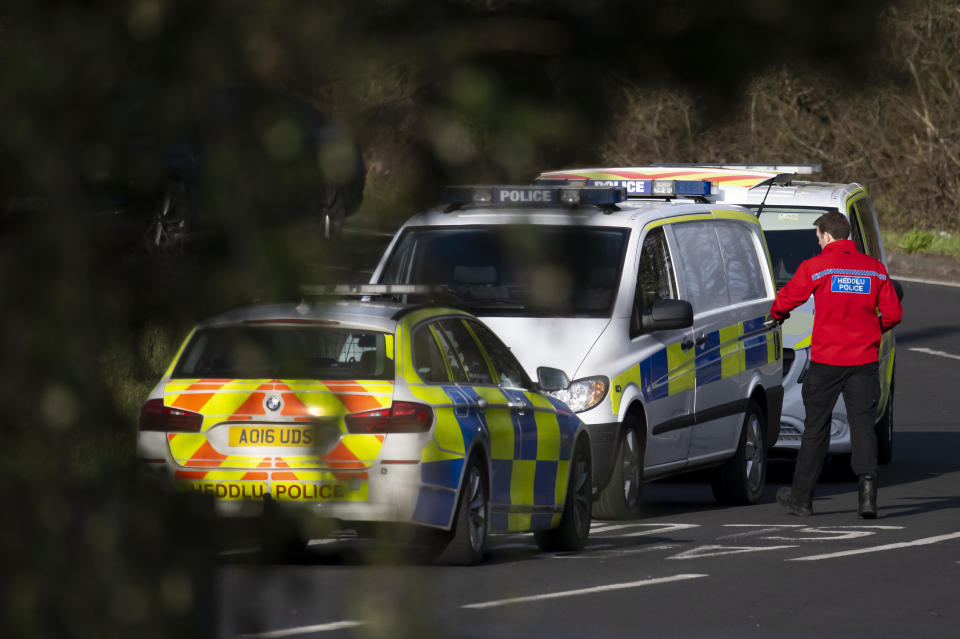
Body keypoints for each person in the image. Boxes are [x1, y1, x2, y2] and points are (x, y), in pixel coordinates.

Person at [771, 211, 903, 518]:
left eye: (818, 236)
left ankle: (802, 499)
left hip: (826, 361)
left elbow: (787, 300)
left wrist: (776, 315)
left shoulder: (817, 267)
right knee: (862, 427)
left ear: (827, 235)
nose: (817, 241)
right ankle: (868, 498)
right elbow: (893, 314)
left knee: (816, 428)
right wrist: (872, 330)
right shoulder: (875, 270)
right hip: (863, 361)